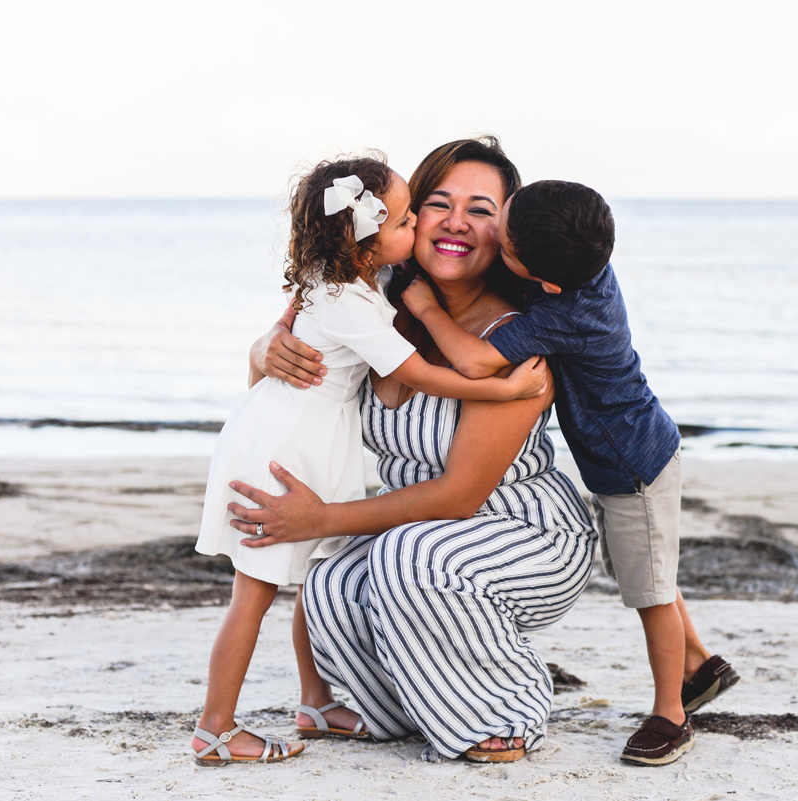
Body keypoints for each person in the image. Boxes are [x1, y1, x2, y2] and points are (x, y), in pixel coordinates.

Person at [225, 137, 595, 763]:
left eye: (481, 210)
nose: (456, 223)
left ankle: (508, 709)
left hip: (526, 530)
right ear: (403, 217)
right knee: (332, 582)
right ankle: (411, 710)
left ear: (508, 232)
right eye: (438, 204)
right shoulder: (373, 296)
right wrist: (262, 350)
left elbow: (460, 495)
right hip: (420, 525)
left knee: (403, 556)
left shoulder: (514, 341)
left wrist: (321, 519)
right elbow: (282, 356)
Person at [399, 178, 740, 765]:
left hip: (634, 463)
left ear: (546, 282)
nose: (492, 233)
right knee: (645, 562)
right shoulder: (583, 263)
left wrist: (426, 307)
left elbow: (476, 359)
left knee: (648, 589)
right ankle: (700, 662)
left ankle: (672, 713)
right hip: (627, 452)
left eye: (501, 238)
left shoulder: (567, 314)